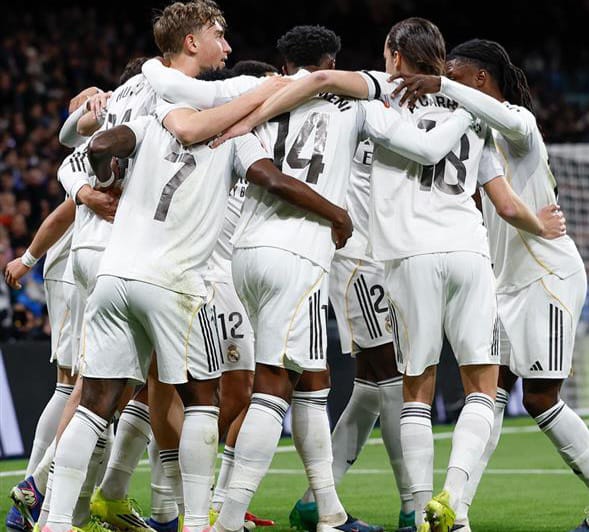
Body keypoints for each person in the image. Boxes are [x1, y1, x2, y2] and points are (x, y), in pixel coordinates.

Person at [223, 17, 566, 532]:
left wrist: (251, 115)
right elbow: (501, 195)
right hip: (428, 252)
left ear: (395, 55)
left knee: (392, 385)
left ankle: (383, 504)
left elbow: (327, 92)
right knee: (458, 383)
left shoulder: (377, 100)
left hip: (387, 255)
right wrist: (539, 223)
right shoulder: (466, 114)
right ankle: (435, 507)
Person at [391, 38, 588, 532]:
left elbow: (500, 119)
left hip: (546, 277)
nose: (447, 86)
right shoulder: (469, 133)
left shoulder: (519, 123)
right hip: (504, 283)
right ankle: (453, 511)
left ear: (480, 79)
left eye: (456, 77)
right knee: (489, 397)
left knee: (540, 398)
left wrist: (439, 84)